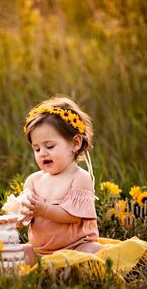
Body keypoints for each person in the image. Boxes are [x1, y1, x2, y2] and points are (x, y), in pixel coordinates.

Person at [20, 96, 102, 266]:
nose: (42, 153)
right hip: (40, 251)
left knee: (95, 251)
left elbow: (72, 216)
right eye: (37, 148)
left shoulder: (79, 178)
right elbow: (24, 218)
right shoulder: (34, 181)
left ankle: (74, 267)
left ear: (75, 143)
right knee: (13, 253)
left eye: (49, 146)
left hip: (76, 248)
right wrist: (19, 217)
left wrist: (43, 209)